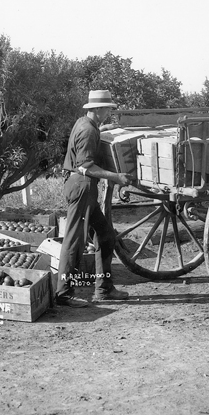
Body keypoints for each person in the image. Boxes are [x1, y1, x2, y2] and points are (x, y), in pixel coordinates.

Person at [56, 90, 134, 308]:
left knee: (106, 235)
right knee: (74, 241)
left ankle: (104, 289)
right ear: (98, 109)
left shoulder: (85, 123)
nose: (110, 112)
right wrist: (116, 177)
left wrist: (102, 130)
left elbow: (88, 141)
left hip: (82, 187)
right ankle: (63, 293)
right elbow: (86, 166)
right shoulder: (88, 131)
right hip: (82, 186)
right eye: (108, 108)